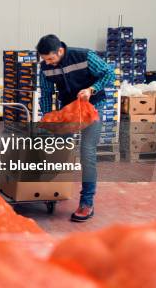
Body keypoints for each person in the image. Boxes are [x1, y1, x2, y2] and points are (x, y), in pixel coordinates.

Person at [36, 34, 115, 222]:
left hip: (93, 106)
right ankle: (56, 191)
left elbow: (109, 73)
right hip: (69, 108)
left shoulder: (84, 56)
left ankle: (87, 203)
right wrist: (49, 119)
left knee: (87, 152)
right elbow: (47, 95)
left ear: (60, 51)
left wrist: (91, 89)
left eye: (51, 58)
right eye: (45, 59)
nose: (48, 63)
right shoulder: (46, 67)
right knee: (60, 148)